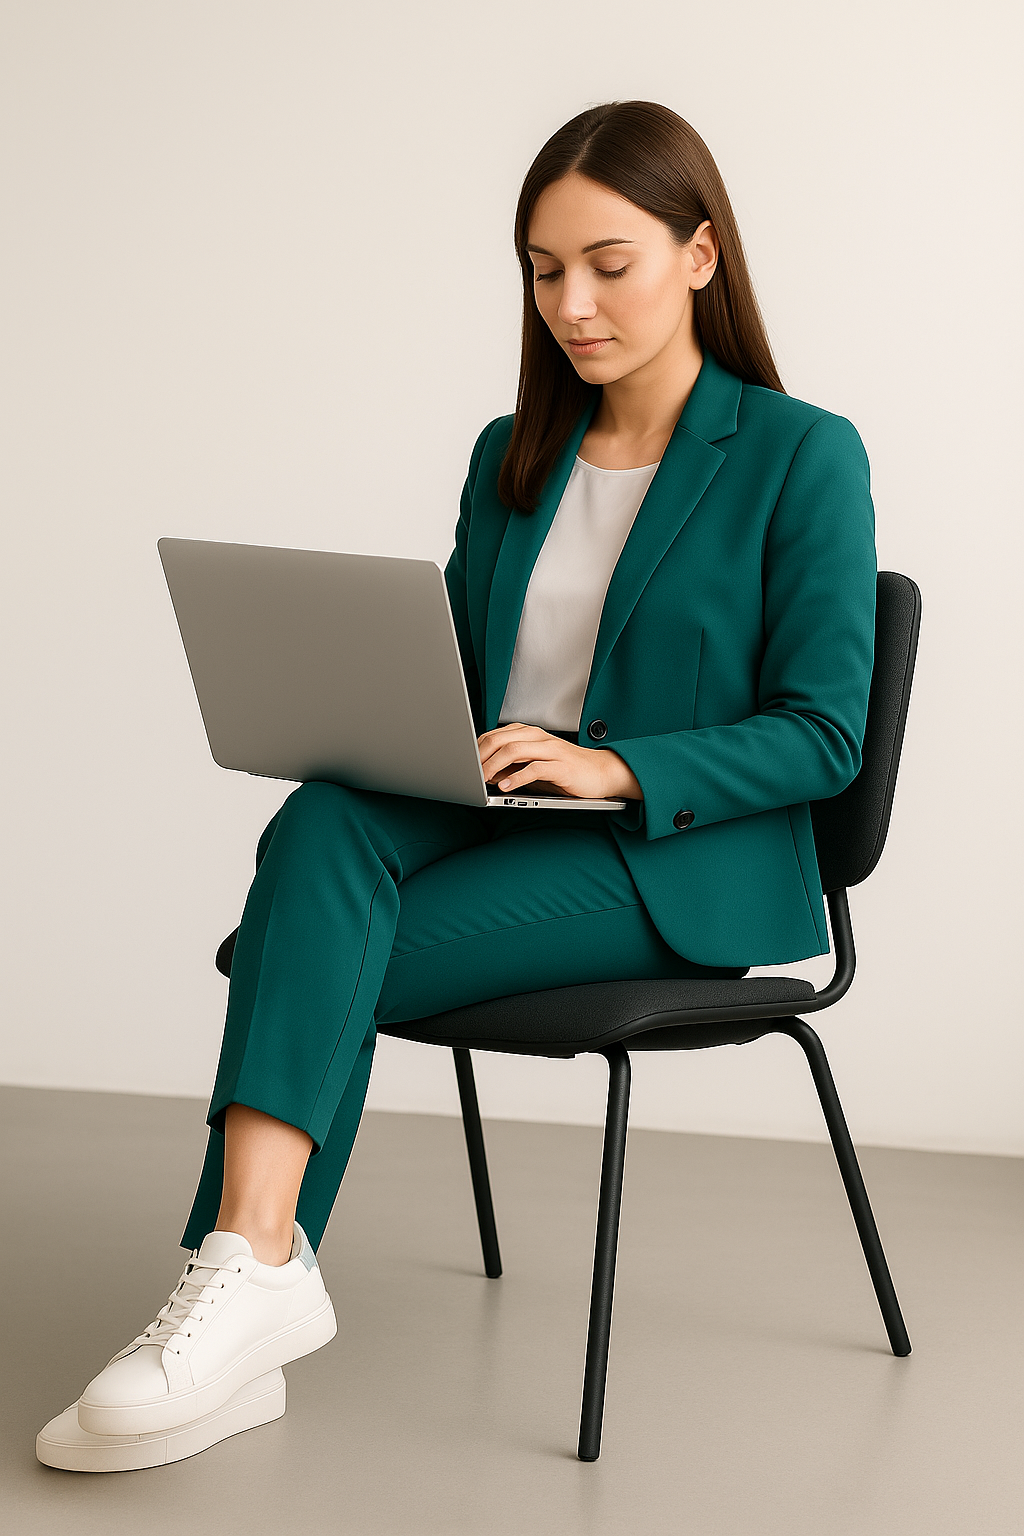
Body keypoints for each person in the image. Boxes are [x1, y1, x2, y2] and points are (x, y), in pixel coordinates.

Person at [38, 99, 876, 1466]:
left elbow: (822, 734)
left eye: (609, 262)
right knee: (321, 821)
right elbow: (460, 677)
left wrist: (612, 766)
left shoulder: (801, 455)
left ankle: (236, 1289)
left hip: (674, 860)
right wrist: (388, 716)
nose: (574, 303)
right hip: (497, 816)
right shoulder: (513, 454)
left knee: (308, 954)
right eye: (545, 271)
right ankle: (254, 1280)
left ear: (701, 255)